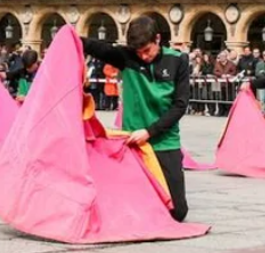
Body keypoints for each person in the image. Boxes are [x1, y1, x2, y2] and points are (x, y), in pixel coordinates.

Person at [82, 15, 191, 222]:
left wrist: (150, 131)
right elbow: (94, 46)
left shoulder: (178, 61)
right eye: (138, 52)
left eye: (147, 50)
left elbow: (180, 105)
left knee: (178, 212)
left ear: (158, 39)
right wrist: (68, 37)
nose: (143, 56)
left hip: (164, 141)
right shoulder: (126, 57)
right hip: (132, 142)